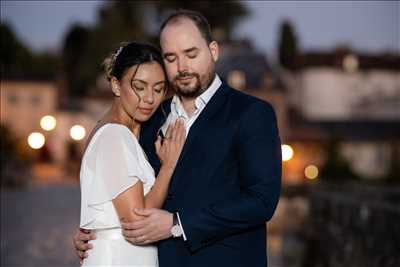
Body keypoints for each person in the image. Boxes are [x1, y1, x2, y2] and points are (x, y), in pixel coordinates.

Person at [74, 9, 282, 267]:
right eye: (171, 58)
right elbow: (124, 187)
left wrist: (177, 224)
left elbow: (262, 201)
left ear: (213, 51)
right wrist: (100, 231)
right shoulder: (148, 120)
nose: (182, 67)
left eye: (191, 54)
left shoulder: (251, 113)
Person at [77, 41, 186, 267]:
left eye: (158, 89)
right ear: (116, 86)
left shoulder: (118, 132)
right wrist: (168, 167)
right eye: (139, 86)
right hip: (121, 258)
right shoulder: (115, 135)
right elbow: (137, 222)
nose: (149, 98)